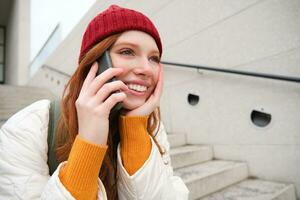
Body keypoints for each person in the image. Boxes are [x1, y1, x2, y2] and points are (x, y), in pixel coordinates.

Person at [0, 4, 189, 200]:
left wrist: (135, 130)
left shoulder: (153, 128)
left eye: (154, 58)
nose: (147, 69)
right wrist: (89, 143)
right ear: (95, 62)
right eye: (127, 52)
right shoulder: (28, 127)